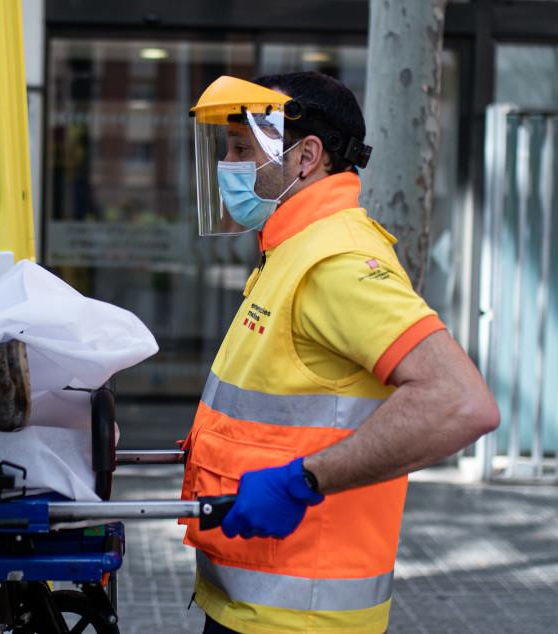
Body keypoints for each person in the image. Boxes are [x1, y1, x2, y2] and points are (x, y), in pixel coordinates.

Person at [180, 71, 500, 634]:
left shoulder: (337, 261)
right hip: (255, 600)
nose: (226, 166)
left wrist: (302, 481)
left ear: (306, 157)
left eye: (240, 150)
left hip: (299, 616)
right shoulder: (294, 247)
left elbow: (460, 402)